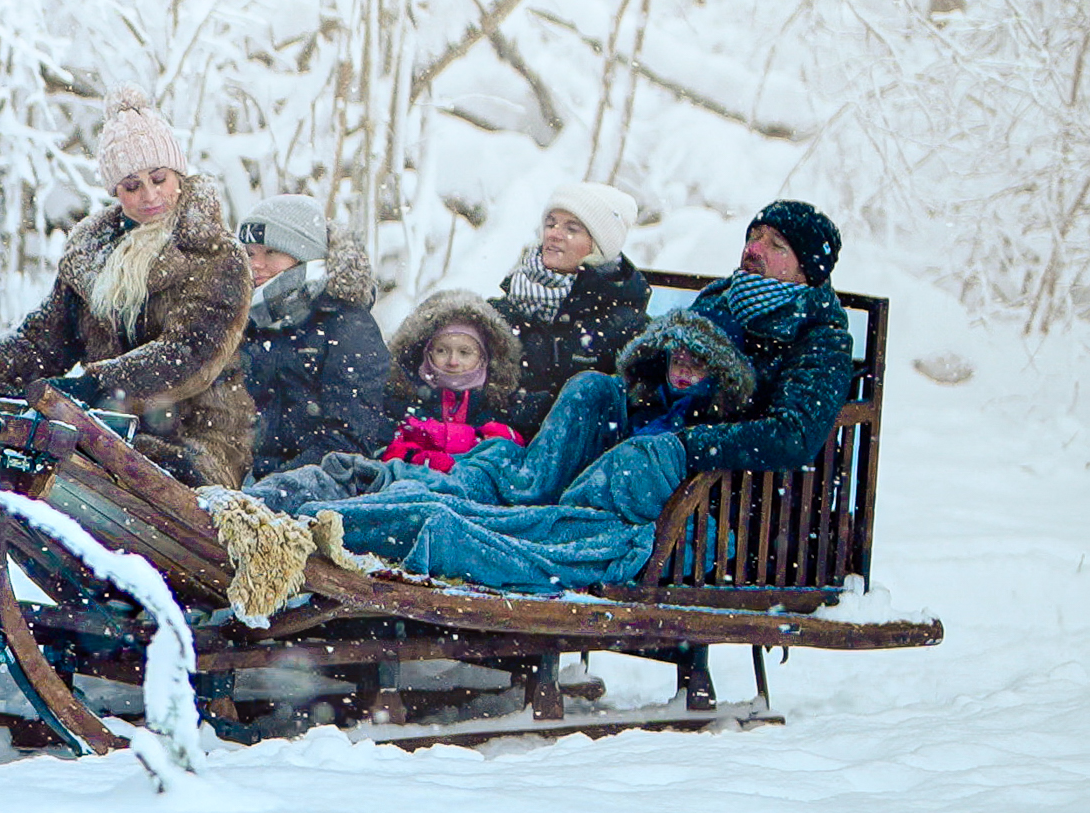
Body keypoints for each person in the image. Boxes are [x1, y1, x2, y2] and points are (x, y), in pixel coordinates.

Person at [218, 200, 854, 604]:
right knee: (590, 393)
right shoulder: (717, 305)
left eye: (774, 245)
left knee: (458, 514)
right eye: (754, 236)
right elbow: (645, 386)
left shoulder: (816, 334)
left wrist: (683, 443)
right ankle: (359, 496)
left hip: (705, 507)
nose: (753, 249)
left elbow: (793, 436)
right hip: (626, 462)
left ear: (806, 269)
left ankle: (365, 527)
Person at [0, 89, 255, 486]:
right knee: (16, 452)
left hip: (196, 442)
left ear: (178, 174)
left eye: (159, 179)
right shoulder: (90, 255)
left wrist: (98, 387)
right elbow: (42, 345)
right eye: (131, 186)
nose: (150, 195)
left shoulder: (216, 254)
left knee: (69, 464)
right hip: (103, 430)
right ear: (115, 192)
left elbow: (191, 354)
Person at [237, 196, 391, 479]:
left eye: (271, 252)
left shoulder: (348, 326)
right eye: (249, 253)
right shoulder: (244, 320)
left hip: (316, 486)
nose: (255, 265)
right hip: (242, 478)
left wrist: (272, 485)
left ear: (305, 254)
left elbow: (350, 440)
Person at [488, 182, 648, 437]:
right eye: (551, 224)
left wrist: (536, 409)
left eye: (572, 229)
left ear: (598, 246)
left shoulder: (626, 326)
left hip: (567, 458)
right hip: (488, 442)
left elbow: (623, 413)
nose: (554, 234)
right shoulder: (500, 310)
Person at [375, 292, 526, 472]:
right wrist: (414, 458)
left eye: (464, 352)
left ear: (484, 358)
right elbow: (385, 449)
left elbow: (513, 457)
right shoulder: (400, 398)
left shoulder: (503, 405)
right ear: (425, 352)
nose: (453, 361)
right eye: (441, 351)